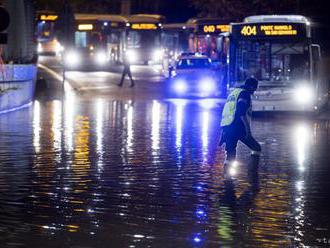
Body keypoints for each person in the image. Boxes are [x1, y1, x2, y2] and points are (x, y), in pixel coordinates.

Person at [219, 77, 261, 164]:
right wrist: (248, 131)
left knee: (230, 154)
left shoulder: (233, 93)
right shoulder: (245, 94)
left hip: (227, 127)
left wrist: (223, 131)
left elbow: (227, 111)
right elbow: (241, 112)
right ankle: (252, 173)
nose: (254, 91)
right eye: (254, 89)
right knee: (256, 148)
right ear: (252, 87)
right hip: (237, 126)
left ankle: (227, 176)